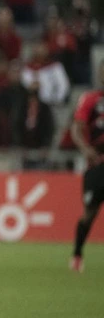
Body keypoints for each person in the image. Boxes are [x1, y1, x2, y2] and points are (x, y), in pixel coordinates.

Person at [69, 64, 104, 273]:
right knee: (89, 212)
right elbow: (77, 127)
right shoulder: (91, 99)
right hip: (97, 164)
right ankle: (77, 254)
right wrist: (85, 149)